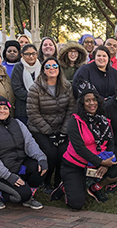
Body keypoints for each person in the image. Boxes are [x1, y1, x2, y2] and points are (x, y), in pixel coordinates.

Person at [49, 84, 117, 209]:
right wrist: (101, 162)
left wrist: (106, 162)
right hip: (75, 165)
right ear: (82, 103)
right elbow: (79, 148)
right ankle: (64, 187)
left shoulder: (103, 120)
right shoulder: (75, 121)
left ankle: (95, 187)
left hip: (98, 163)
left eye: (94, 100)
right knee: (76, 204)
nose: (92, 103)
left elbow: (111, 143)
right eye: (87, 100)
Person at [0, 95, 48, 210]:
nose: (2, 111)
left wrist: (42, 158)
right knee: (21, 195)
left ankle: (28, 197)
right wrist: (9, 176)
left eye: (5, 108)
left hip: (16, 167)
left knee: (39, 168)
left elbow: (30, 143)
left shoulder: (18, 124)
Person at [26, 57, 75, 194]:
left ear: (59, 69)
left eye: (55, 66)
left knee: (64, 152)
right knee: (51, 153)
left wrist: (64, 131)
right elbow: (33, 113)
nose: (52, 69)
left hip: (61, 128)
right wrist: (49, 132)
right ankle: (45, 181)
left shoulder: (66, 86)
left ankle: (59, 181)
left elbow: (71, 109)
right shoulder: (35, 88)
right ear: (43, 70)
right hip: (40, 129)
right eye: (48, 67)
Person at [11, 44, 41, 125]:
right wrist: (33, 98)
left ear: (37, 54)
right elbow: (17, 89)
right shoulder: (18, 68)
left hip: (40, 108)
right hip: (23, 109)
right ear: (22, 55)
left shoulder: (42, 67)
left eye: (33, 53)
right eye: (27, 54)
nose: (31, 56)